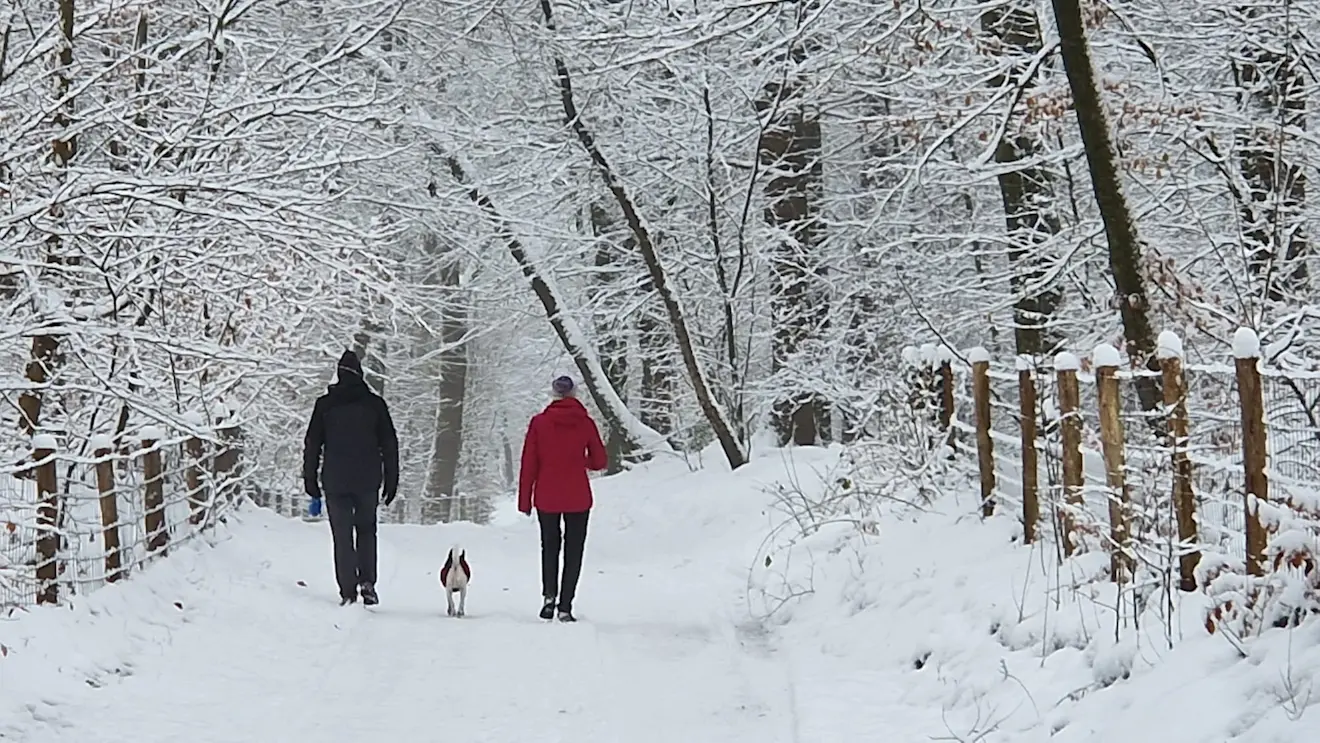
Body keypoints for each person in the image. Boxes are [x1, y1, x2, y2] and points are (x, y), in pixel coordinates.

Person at [303, 350, 400, 606]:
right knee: (367, 530)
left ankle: (348, 590)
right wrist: (392, 479)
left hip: (335, 480)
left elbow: (313, 444)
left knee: (342, 535)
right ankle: (367, 581)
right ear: (361, 373)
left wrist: (310, 479)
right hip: (368, 479)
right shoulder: (374, 405)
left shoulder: (325, 405)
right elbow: (389, 443)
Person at [518, 375, 607, 622]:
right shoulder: (586, 423)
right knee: (574, 550)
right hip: (578, 496)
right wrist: (581, 462)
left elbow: (529, 462)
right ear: (575, 394)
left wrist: (525, 499)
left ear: (554, 395)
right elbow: (600, 461)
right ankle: (565, 606)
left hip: (547, 495)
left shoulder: (539, 423)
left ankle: (549, 597)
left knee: (550, 547)